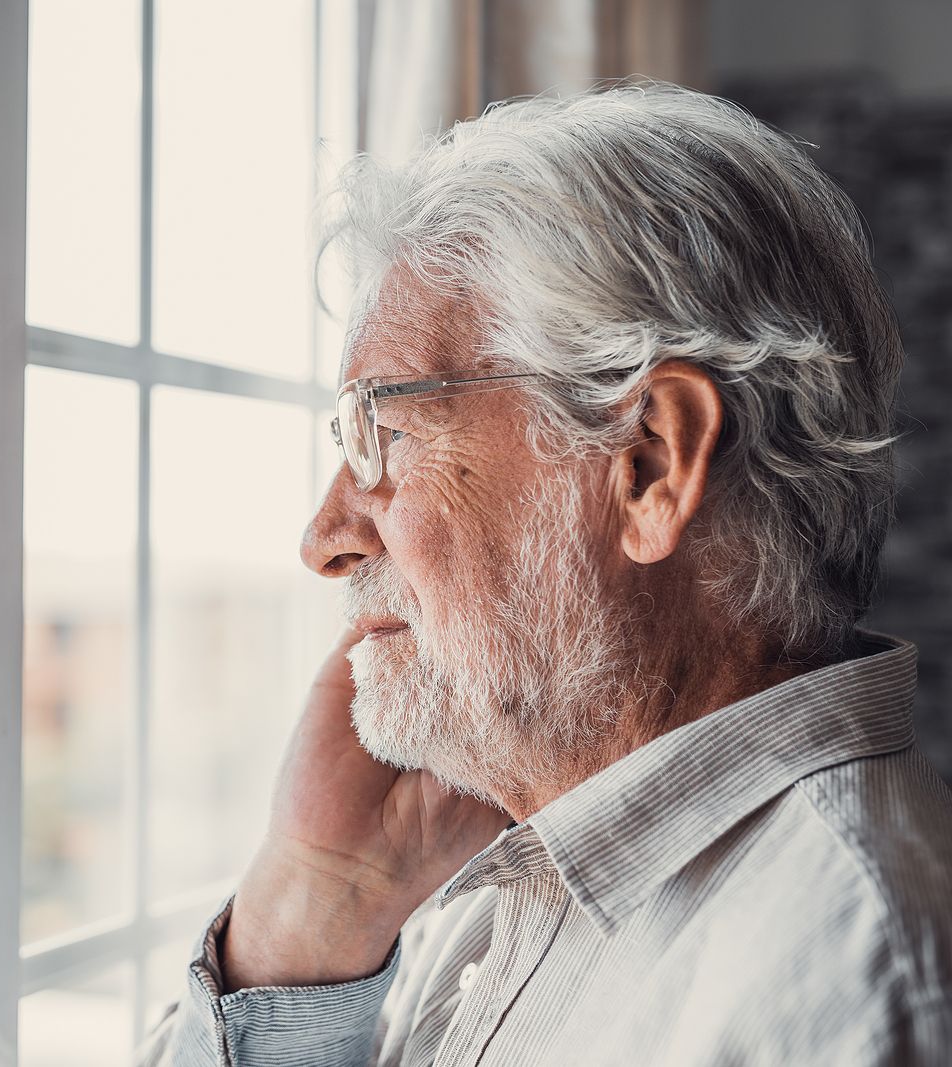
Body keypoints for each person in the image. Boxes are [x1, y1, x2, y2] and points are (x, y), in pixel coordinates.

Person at [138, 82, 952, 1066]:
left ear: (649, 461)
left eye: (384, 432)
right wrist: (313, 903)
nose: (325, 536)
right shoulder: (483, 867)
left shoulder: (850, 983)